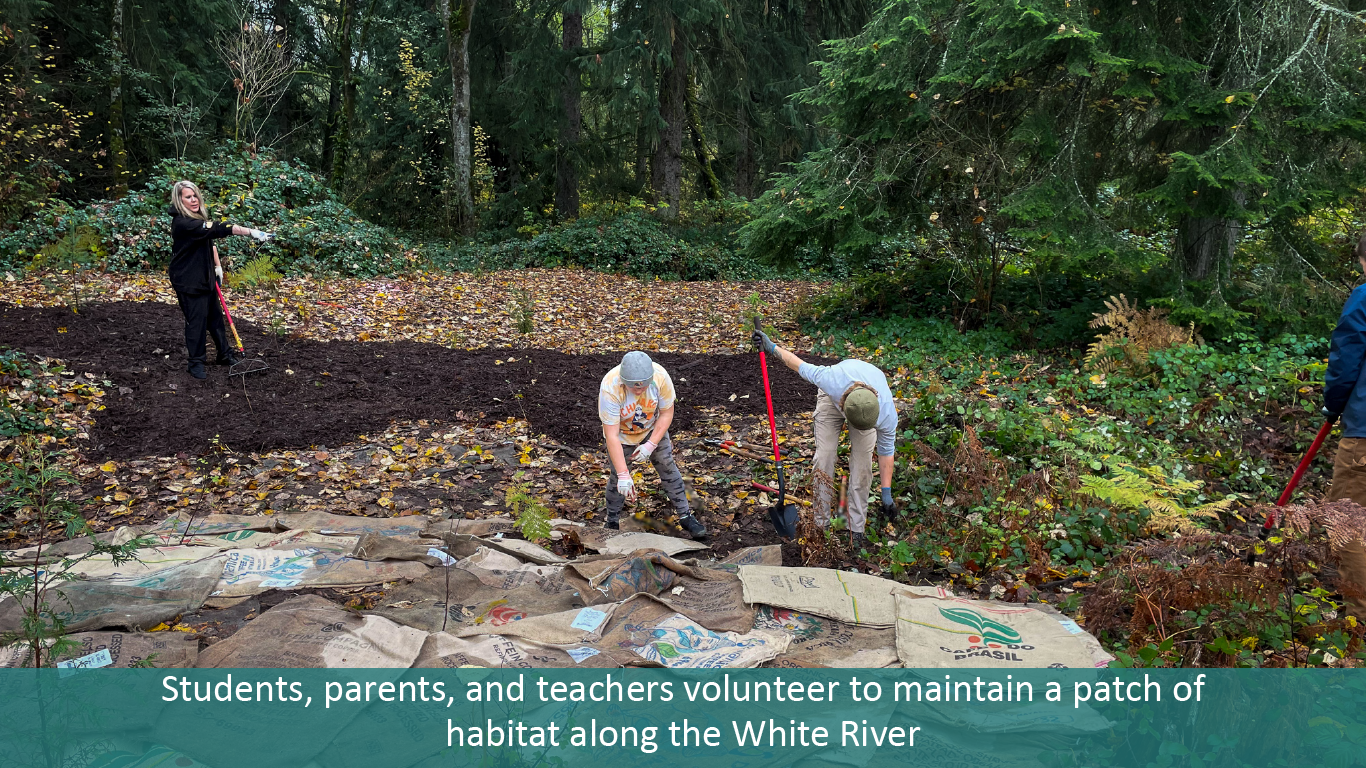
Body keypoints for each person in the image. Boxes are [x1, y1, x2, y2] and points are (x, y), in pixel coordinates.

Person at [752, 329, 897, 549]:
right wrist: (771, 347)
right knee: (825, 458)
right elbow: (797, 363)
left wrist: (886, 493)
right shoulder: (830, 379)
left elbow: (886, 453)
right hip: (832, 400)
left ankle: (855, 529)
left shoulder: (885, 413)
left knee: (863, 464)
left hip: (865, 405)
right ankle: (821, 525)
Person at [167, 180, 273, 379]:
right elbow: (217, 229)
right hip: (188, 281)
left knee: (215, 318)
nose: (193, 200)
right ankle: (195, 362)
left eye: (195, 195)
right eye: (188, 197)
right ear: (179, 201)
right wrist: (251, 232)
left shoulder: (196, 218)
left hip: (205, 277)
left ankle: (224, 355)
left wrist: (217, 267)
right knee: (196, 322)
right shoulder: (183, 223)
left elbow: (210, 242)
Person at [597, 351, 708, 539]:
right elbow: (611, 435)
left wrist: (651, 444)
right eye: (633, 387)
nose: (639, 391)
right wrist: (625, 474)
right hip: (622, 436)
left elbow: (666, 413)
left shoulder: (661, 377)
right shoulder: (610, 388)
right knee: (618, 478)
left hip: (652, 428)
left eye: (642, 386)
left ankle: (685, 516)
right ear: (624, 381)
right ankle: (612, 521)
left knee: (667, 465)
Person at [1322, 233, 1366, 618]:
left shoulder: (1365, 298)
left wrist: (1332, 406)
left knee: (1347, 522)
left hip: (1364, 435)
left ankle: (1359, 619)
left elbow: (1345, 363)